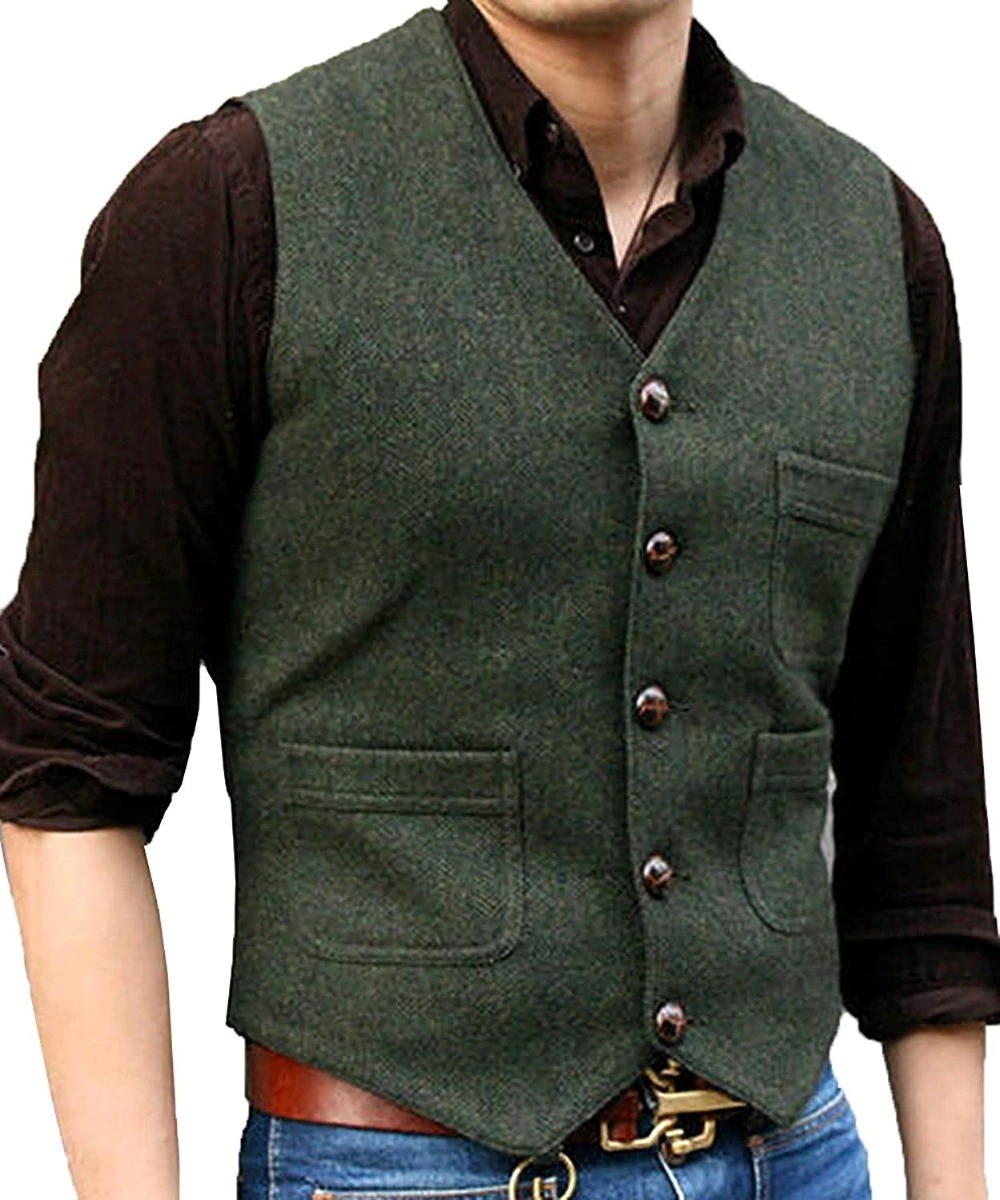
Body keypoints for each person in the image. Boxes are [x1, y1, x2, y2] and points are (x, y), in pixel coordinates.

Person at [1, 1, 997, 1197]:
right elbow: (69, 772)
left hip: (797, 1159)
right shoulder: (227, 204)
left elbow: (919, 806)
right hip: (395, 1166)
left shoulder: (873, 243)